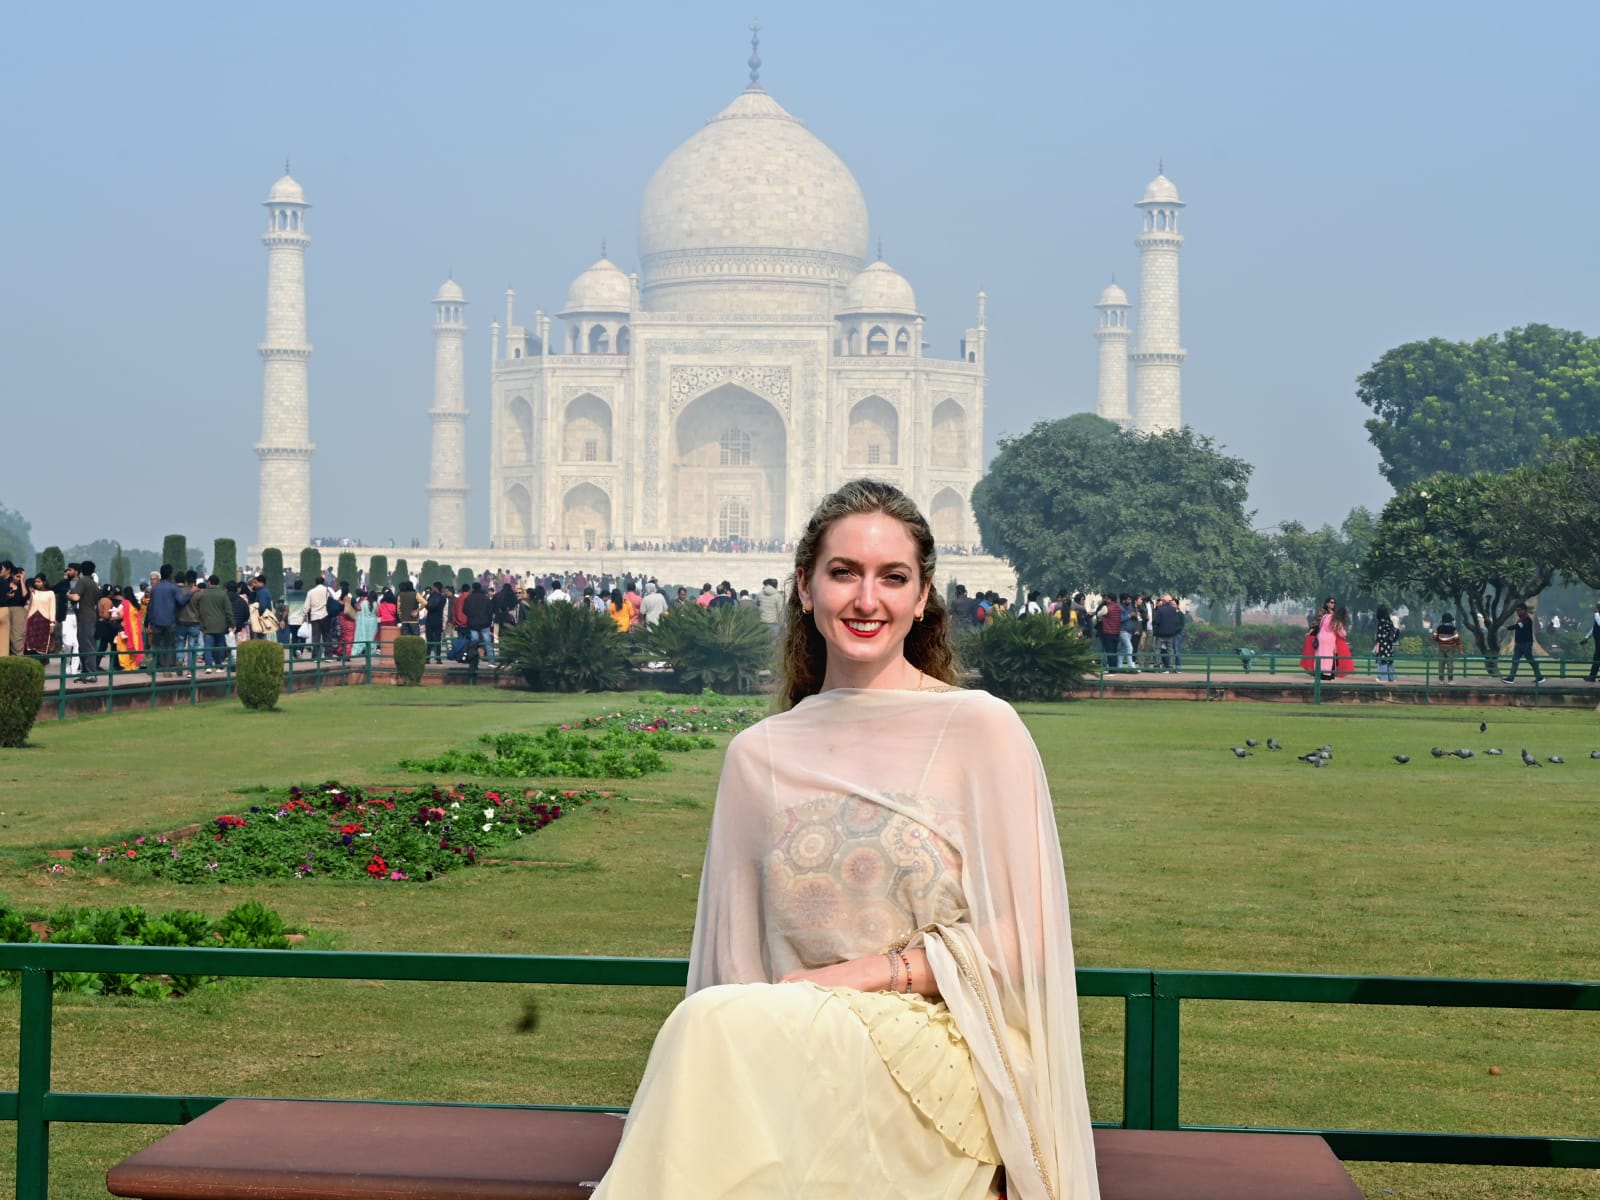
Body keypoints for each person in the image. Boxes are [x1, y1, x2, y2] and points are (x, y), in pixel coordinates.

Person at [589, 478, 1099, 1200]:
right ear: (804, 587)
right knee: (712, 1026)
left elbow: (1031, 935)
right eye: (843, 573)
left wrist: (864, 976)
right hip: (803, 1063)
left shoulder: (980, 729)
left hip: (943, 1071)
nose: (868, 600)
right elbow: (734, 969)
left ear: (923, 597)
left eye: (893, 578)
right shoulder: (760, 755)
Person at [1503, 603, 1543, 683]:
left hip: (1525, 643)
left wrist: (1507, 628)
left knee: (1530, 660)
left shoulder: (1526, 619)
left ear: (1524, 610)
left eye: (1519, 610)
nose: (1517, 612)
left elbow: (1518, 626)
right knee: (1515, 660)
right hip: (1519, 643)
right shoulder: (1521, 619)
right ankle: (1511, 678)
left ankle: (1539, 676)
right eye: (1517, 611)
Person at [24, 573, 56, 658]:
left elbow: (52, 609)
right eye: (35, 582)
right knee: (30, 643)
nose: (37, 583)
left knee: (43, 644)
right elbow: (28, 606)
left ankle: (42, 663)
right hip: (32, 621)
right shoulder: (33, 592)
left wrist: (52, 623)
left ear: (44, 582)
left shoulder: (50, 593)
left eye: (39, 581)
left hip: (44, 622)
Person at [115, 587, 146, 670]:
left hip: (126, 628)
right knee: (134, 648)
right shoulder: (135, 604)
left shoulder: (125, 603)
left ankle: (126, 666)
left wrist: (113, 617)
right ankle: (133, 665)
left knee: (123, 648)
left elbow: (120, 615)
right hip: (135, 629)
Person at [1431, 611, 1462, 682]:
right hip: (1450, 648)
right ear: (1450, 621)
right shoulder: (1453, 629)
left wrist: (1440, 640)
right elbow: (1457, 639)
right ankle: (1450, 680)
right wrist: (1460, 649)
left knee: (1441, 664)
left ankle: (1441, 680)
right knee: (1450, 664)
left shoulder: (1438, 628)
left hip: (1441, 647)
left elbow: (1434, 637)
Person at [1373, 603, 1398, 683]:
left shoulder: (1381, 622)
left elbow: (1380, 636)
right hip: (1389, 644)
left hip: (1382, 644)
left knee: (1382, 660)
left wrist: (1377, 646)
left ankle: (1383, 678)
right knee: (1389, 660)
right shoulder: (1389, 621)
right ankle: (1392, 678)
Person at [1581, 599, 1600, 684]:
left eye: (1597, 607)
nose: (1595, 608)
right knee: (1596, 658)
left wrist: (1596, 613)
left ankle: (1592, 676)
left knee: (1597, 658)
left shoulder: (1597, 616)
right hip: (1598, 642)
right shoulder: (1597, 617)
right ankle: (1592, 676)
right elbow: (1594, 628)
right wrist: (1586, 637)